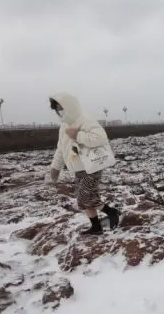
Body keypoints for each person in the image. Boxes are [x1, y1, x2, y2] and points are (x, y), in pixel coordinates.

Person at [48, 92, 119, 235]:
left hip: (92, 167)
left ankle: (112, 212)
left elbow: (100, 138)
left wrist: (78, 135)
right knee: (89, 198)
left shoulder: (85, 120)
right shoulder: (63, 126)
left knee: (83, 198)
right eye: (57, 108)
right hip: (77, 168)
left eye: (61, 107)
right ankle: (96, 227)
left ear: (69, 106)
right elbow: (61, 149)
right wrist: (55, 168)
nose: (59, 111)